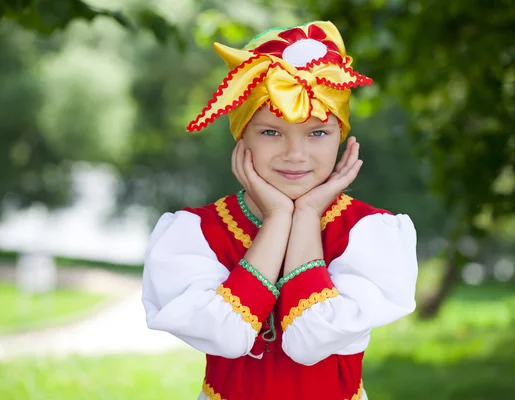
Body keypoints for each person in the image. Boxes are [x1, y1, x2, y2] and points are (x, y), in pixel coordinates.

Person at [142, 20, 418, 400]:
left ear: (341, 136)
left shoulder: (367, 232)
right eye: (271, 132)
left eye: (317, 132)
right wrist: (277, 218)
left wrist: (305, 215)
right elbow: (225, 335)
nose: (295, 155)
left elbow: (312, 339)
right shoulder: (197, 232)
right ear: (241, 135)